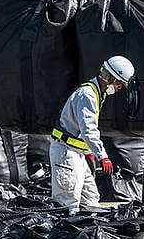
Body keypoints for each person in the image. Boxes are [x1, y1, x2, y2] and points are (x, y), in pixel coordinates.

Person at [50, 55, 135, 213]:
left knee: (91, 199)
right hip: (66, 153)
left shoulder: (96, 94)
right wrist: (102, 156)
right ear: (110, 77)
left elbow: (81, 132)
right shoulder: (87, 95)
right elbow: (88, 130)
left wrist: (89, 153)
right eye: (119, 85)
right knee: (68, 202)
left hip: (77, 153)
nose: (118, 89)